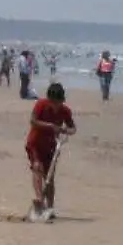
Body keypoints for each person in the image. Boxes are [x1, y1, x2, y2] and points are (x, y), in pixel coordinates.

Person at [25, 82, 77, 222]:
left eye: (58, 102)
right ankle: (40, 201)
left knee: (49, 177)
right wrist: (50, 126)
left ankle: (50, 207)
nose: (56, 105)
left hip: (51, 146)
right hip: (35, 143)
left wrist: (65, 131)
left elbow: (73, 128)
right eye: (53, 102)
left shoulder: (65, 111)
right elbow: (33, 121)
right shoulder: (41, 105)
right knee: (37, 168)